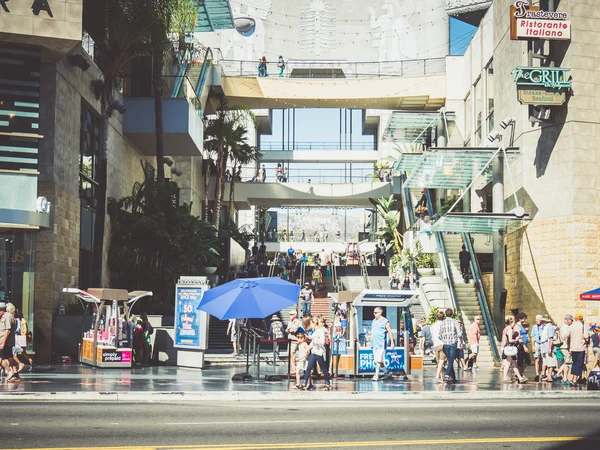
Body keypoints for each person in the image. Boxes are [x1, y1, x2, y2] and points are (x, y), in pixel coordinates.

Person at [302, 317, 331, 390]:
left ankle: (327, 383)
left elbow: (322, 342)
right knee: (309, 368)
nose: (310, 325)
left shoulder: (320, 331)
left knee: (323, 368)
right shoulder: (315, 331)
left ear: (315, 323)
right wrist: (308, 348)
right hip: (314, 351)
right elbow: (313, 343)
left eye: (311, 323)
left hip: (319, 352)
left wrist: (314, 339)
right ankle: (304, 383)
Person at [370, 307, 395, 381]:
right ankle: (387, 372)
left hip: (381, 343)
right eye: (374, 312)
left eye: (376, 312)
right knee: (379, 360)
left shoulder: (385, 321)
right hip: (374, 343)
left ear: (380, 313)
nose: (374, 314)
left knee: (378, 360)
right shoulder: (374, 321)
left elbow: (390, 332)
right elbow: (374, 330)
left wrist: (392, 342)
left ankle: (376, 375)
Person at [564, 312, 589, 386]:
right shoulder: (583, 326)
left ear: (575, 318)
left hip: (573, 348)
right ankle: (574, 379)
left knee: (574, 364)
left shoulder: (571, 326)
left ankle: (572, 378)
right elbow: (586, 337)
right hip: (581, 348)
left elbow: (566, 337)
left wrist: (569, 347)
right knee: (579, 364)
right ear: (582, 319)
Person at [501, 316, 528, 384]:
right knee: (512, 364)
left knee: (509, 364)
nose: (514, 324)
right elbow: (510, 340)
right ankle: (519, 377)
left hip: (508, 348)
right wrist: (516, 339)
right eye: (513, 322)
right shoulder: (510, 330)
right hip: (510, 349)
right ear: (510, 322)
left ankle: (517, 377)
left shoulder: (506, 329)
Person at [439, 308, 461, 383]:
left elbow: (439, 335)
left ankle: (453, 377)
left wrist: (444, 339)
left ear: (445, 314)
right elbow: (459, 333)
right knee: (451, 360)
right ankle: (447, 375)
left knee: (450, 359)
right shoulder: (455, 322)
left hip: (445, 344)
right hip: (453, 343)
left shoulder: (443, 322)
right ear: (452, 314)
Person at [430, 311, 446, 382]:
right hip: (443, 344)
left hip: (436, 345)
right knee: (441, 361)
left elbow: (432, 336)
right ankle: (437, 376)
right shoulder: (444, 324)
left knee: (439, 362)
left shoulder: (433, 325)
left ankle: (441, 378)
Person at [530, 314, 545, 381]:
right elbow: (532, 337)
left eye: (538, 319)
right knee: (537, 359)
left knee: (543, 358)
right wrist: (532, 346)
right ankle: (537, 374)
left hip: (543, 343)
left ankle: (543, 373)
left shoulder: (544, 327)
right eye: (536, 319)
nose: (537, 321)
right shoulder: (534, 327)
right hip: (537, 343)